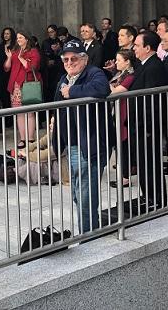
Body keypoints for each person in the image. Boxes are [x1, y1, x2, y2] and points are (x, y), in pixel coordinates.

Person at [51, 44, 111, 233]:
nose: (69, 63)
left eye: (74, 58)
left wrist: (72, 92)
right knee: (78, 192)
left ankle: (88, 235)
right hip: (70, 142)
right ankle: (91, 228)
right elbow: (57, 103)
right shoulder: (64, 78)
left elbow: (102, 88)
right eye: (66, 59)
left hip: (88, 144)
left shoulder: (94, 73)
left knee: (85, 194)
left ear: (84, 59)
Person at [128, 31, 167, 210]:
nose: (134, 48)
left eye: (137, 45)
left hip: (146, 125)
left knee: (150, 163)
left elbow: (152, 101)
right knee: (143, 163)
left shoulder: (154, 67)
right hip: (139, 123)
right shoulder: (143, 64)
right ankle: (148, 196)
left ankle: (155, 199)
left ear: (148, 48)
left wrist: (147, 127)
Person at [4, 30, 41, 149]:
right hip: (15, 86)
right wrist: (9, 58)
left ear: (27, 39)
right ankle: (23, 139)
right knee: (19, 113)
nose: (18, 40)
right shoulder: (15, 51)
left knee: (29, 113)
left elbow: (32, 67)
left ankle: (30, 139)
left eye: (21, 37)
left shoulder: (33, 51)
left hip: (28, 85)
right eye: (17, 38)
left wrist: (21, 58)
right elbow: (6, 68)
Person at [108, 49, 137, 188]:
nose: (116, 63)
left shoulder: (130, 76)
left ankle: (125, 177)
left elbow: (115, 91)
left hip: (125, 113)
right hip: (118, 111)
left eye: (119, 60)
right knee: (120, 145)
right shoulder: (121, 74)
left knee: (124, 145)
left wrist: (104, 84)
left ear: (127, 62)